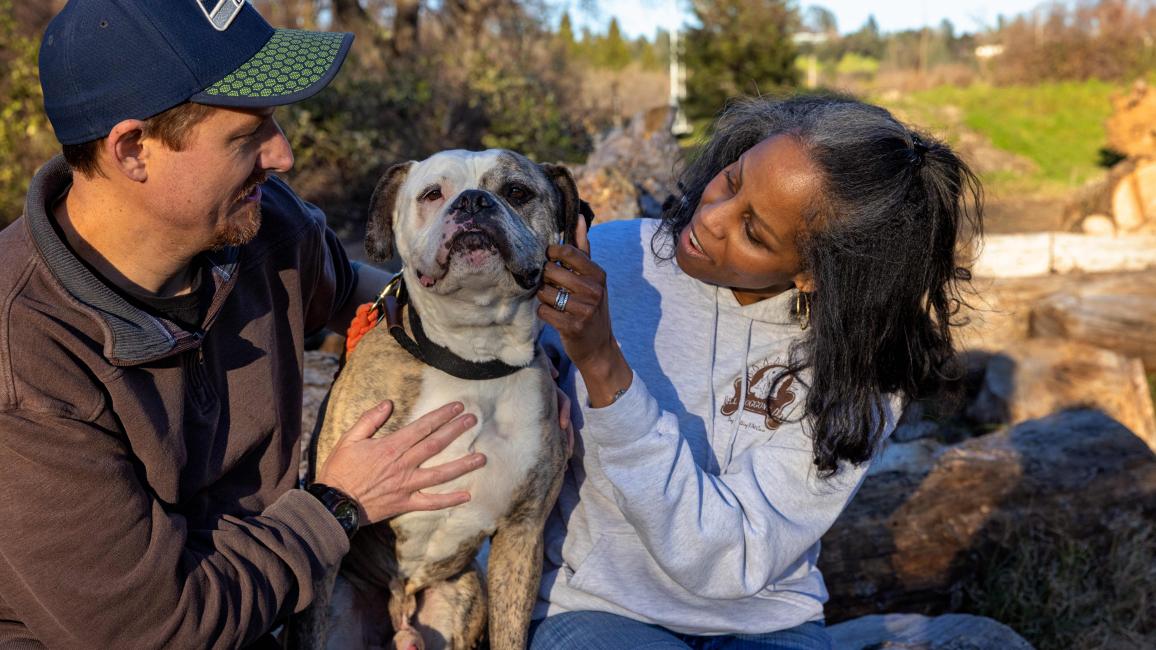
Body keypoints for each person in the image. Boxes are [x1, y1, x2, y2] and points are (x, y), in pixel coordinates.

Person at [0, 2, 493, 647]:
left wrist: (504, 342)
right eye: (247, 134)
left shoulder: (264, 230)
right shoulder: (27, 354)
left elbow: (363, 297)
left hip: (272, 613)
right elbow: (153, 630)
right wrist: (338, 505)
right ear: (133, 150)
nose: (283, 155)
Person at [530, 95, 983, 649]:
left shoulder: (859, 369)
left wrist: (602, 365)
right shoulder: (607, 260)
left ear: (815, 273)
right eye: (732, 180)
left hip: (767, 625)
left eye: (754, 232)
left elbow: (723, 561)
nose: (709, 217)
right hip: (598, 607)